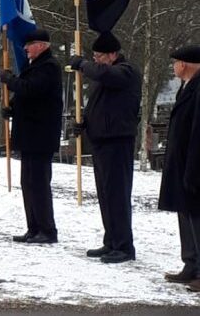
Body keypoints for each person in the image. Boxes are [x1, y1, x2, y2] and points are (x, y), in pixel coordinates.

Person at [69, 31, 142, 263]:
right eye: (94, 56)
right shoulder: (105, 77)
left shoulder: (126, 72)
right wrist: (84, 124)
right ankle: (111, 240)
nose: (97, 60)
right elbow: (100, 106)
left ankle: (124, 246)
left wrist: (82, 64)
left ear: (113, 55)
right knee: (106, 194)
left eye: (99, 55)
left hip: (117, 140)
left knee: (117, 194)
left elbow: (105, 74)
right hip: (102, 140)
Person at [0, 28, 62, 244]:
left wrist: (10, 80)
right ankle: (33, 227)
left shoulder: (49, 67)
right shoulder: (35, 66)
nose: (25, 48)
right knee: (27, 182)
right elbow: (27, 97)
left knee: (39, 183)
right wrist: (13, 108)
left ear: (42, 45)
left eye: (30, 44)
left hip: (40, 135)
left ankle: (47, 229)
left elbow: (32, 90)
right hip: (30, 134)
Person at [158, 45, 200, 291]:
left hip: (193, 164)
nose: (174, 67)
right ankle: (191, 264)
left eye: (175, 62)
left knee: (196, 217)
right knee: (185, 214)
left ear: (184, 64)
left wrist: (193, 169)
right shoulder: (187, 87)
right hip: (181, 162)